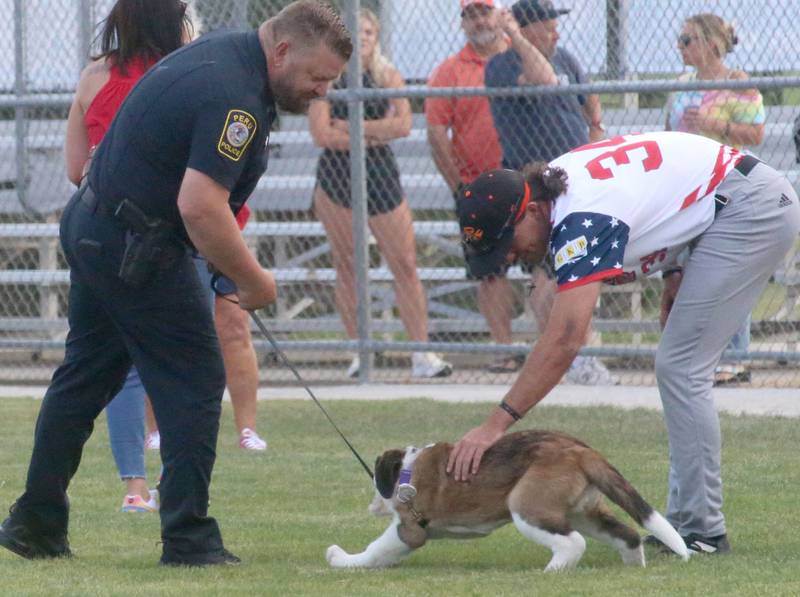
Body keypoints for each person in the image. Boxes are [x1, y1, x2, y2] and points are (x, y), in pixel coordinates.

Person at [0, 0, 351, 566]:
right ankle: (189, 538)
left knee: (85, 376)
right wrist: (252, 278)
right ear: (283, 50)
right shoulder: (236, 95)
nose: (320, 92)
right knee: (195, 377)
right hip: (134, 245)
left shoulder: (221, 56)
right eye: (317, 78)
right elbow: (199, 205)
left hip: (96, 225)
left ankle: (35, 522)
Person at [448, 131, 800, 555]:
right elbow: (662, 193)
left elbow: (565, 338)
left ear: (534, 210)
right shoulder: (557, 195)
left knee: (681, 367)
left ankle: (701, 531)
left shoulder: (580, 216)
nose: (510, 257)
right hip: (730, 201)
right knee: (679, 367)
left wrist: (494, 426)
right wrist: (677, 270)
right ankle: (691, 524)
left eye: (507, 244)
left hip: (748, 208)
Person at [62, 0, 193, 515]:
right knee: (183, 367)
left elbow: (76, 168)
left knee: (110, 367)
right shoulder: (182, 73)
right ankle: (177, 487)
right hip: (166, 235)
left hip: (98, 235)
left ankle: (132, 488)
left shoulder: (94, 75)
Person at [310, 8, 452, 379]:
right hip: (337, 179)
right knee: (348, 266)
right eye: (357, 31)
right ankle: (361, 352)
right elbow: (322, 134)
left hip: (380, 175)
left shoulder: (388, 75)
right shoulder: (328, 76)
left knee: (404, 264)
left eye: (370, 31)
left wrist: (356, 127)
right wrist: (376, 131)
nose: (365, 37)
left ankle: (421, 354)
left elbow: (404, 125)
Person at [482, 0, 613, 383]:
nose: (556, 30)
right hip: (539, 188)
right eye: (547, 24)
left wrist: (596, 133)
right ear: (526, 29)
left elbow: (587, 98)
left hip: (577, 182)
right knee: (551, 275)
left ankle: (575, 355)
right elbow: (544, 78)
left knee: (576, 271)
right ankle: (568, 357)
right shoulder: (503, 65)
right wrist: (518, 39)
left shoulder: (566, 57)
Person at [666, 13, 765, 386]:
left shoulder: (737, 83)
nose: (681, 46)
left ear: (711, 43)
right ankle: (701, 355)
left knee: (727, 274)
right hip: (687, 187)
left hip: (726, 186)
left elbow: (756, 133)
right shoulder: (680, 84)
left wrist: (713, 126)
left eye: (688, 39)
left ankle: (736, 358)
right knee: (693, 275)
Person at [427, 0, 524, 373]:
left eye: (484, 11)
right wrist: (459, 186)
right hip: (479, 188)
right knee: (490, 271)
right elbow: (436, 132)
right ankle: (504, 348)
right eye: (470, 14)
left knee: (546, 268)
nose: (479, 20)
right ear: (462, 23)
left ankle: (556, 350)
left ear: (500, 15)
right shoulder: (449, 72)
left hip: (525, 181)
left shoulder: (520, 59)